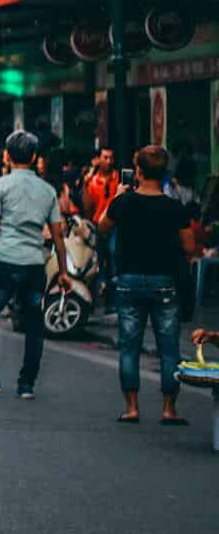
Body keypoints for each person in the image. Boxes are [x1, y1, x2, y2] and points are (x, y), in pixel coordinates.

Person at [0, 130, 71, 399]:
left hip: (4, 261)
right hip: (35, 264)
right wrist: (63, 272)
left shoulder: (0, 186)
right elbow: (58, 233)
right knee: (34, 325)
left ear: (7, 156)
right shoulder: (47, 190)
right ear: (35, 157)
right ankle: (26, 384)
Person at [98, 146, 195, 425]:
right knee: (169, 347)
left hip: (129, 282)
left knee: (129, 346)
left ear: (137, 172)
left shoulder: (123, 203)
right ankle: (169, 408)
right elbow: (189, 245)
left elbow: (102, 229)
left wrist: (115, 198)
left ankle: (132, 407)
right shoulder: (173, 207)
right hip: (165, 283)